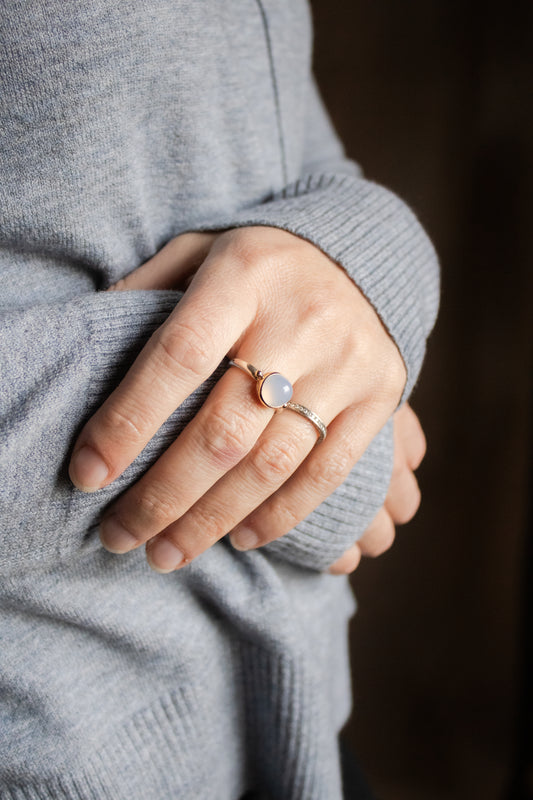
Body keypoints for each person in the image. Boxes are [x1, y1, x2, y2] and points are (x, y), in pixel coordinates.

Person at [0, 2, 439, 799]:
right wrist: (324, 441)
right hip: (59, 753)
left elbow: (274, 137)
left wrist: (373, 250)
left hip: (286, 721)